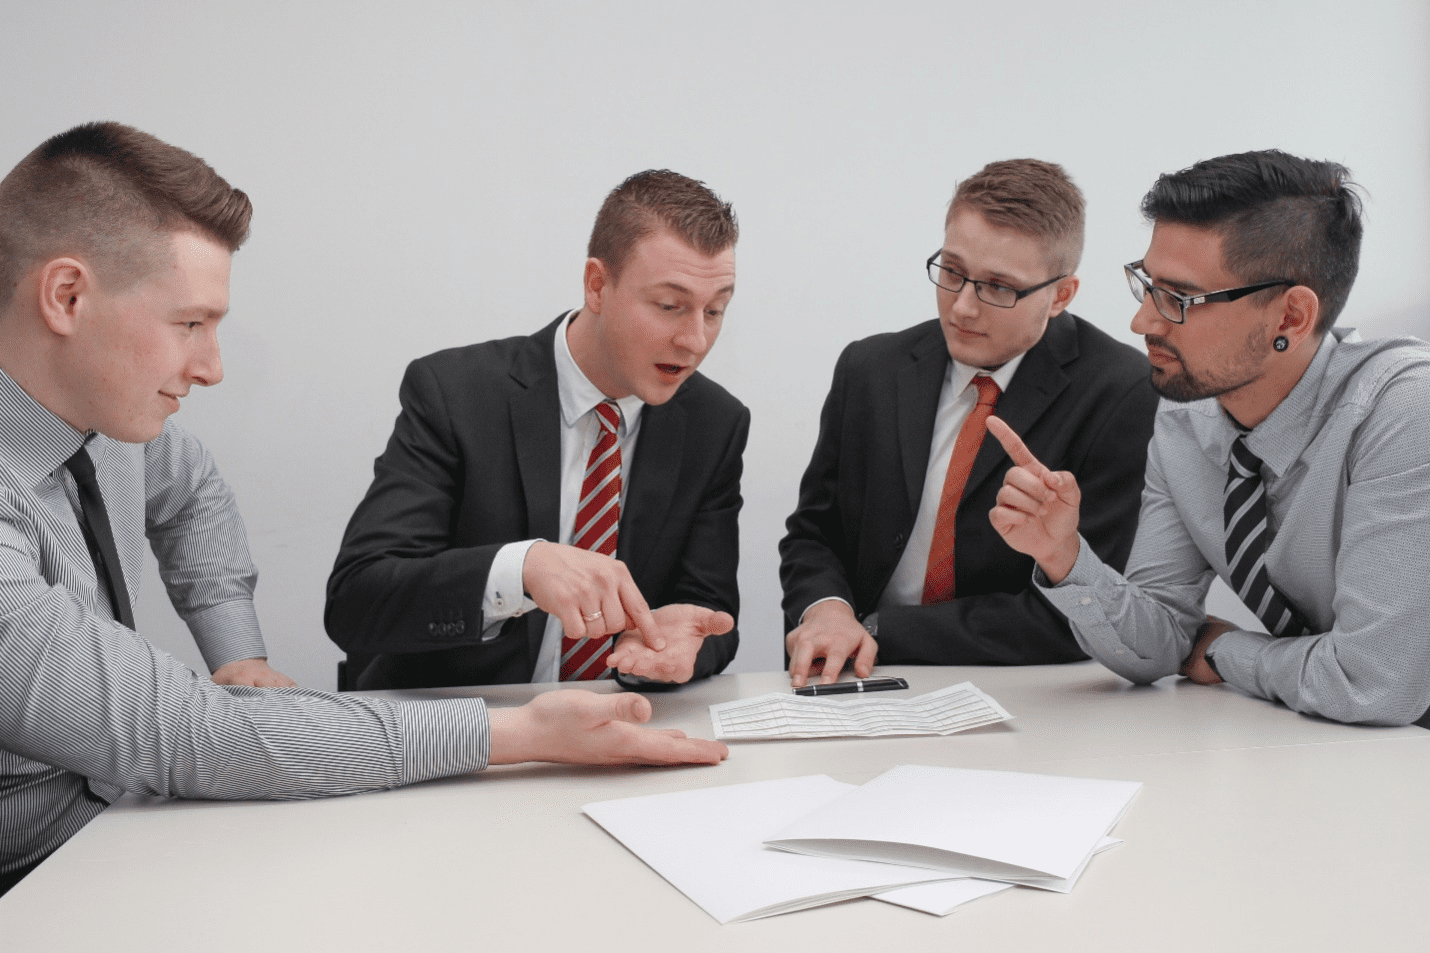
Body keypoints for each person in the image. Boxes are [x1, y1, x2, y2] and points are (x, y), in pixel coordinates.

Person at [0, 122, 727, 895]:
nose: (212, 367)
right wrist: (515, 731)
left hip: (125, 825)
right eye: (189, 324)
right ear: (67, 296)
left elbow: (192, 494)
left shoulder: (106, 423)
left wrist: (236, 652)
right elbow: (191, 733)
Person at [989, 149, 1430, 727]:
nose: (1142, 321)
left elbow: (1376, 684)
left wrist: (1226, 651)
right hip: (1344, 750)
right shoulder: (1186, 419)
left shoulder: (1402, 411)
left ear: (1291, 319)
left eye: (1179, 299)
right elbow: (1159, 644)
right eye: (1147, 286)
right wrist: (1065, 557)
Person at [325, 170, 746, 690]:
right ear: (597, 284)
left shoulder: (714, 423)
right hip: (461, 733)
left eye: (716, 309)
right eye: (669, 306)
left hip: (616, 729)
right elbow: (356, 600)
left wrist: (686, 645)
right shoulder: (456, 394)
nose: (695, 340)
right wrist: (520, 569)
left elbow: (711, 612)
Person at [779, 159, 1157, 687]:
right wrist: (826, 612)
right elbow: (813, 535)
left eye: (998, 288)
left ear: (1061, 295)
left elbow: (1084, 609)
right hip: (852, 679)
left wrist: (878, 629)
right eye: (952, 271)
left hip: (1029, 691)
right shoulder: (869, 369)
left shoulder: (1123, 392)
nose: (961, 308)